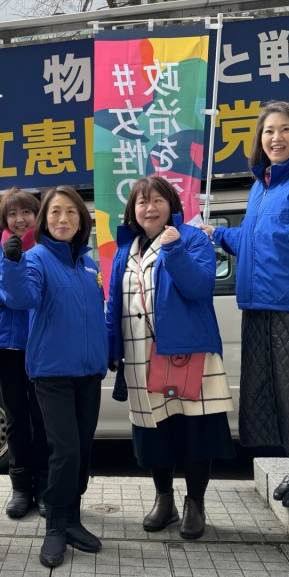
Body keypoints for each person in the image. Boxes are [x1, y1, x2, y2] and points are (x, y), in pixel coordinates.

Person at [199, 100, 289, 508]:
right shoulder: (261, 187)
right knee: (275, 393)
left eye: (285, 130)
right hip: (261, 304)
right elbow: (253, 241)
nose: (276, 138)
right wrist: (215, 234)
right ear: (259, 140)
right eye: (268, 131)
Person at [105, 177, 235, 539]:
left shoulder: (192, 238)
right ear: (132, 210)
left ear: (172, 206)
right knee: (153, 433)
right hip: (140, 354)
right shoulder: (123, 249)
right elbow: (114, 302)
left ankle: (196, 504)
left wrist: (174, 250)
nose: (150, 208)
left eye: (158, 200)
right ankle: (164, 500)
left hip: (187, 352)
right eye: (142, 202)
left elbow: (199, 287)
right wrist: (112, 347)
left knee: (194, 430)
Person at [0, 185, 107, 568]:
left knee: (83, 450)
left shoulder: (89, 264)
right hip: (52, 374)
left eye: (71, 213)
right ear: (45, 220)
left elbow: (98, 315)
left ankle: (74, 518)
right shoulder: (35, 259)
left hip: (89, 374)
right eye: (55, 212)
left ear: (82, 220)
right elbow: (21, 298)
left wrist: (107, 354)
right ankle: (55, 527)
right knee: (65, 451)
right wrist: (11, 267)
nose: (63, 219)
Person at [0, 187, 49, 519]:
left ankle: (44, 485)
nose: (20, 219)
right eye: (12, 214)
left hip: (41, 344)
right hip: (8, 343)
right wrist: (0, 292)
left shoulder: (45, 248)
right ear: (4, 219)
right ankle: (20, 488)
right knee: (16, 420)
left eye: (26, 212)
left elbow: (8, 293)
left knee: (42, 418)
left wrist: (1, 292)